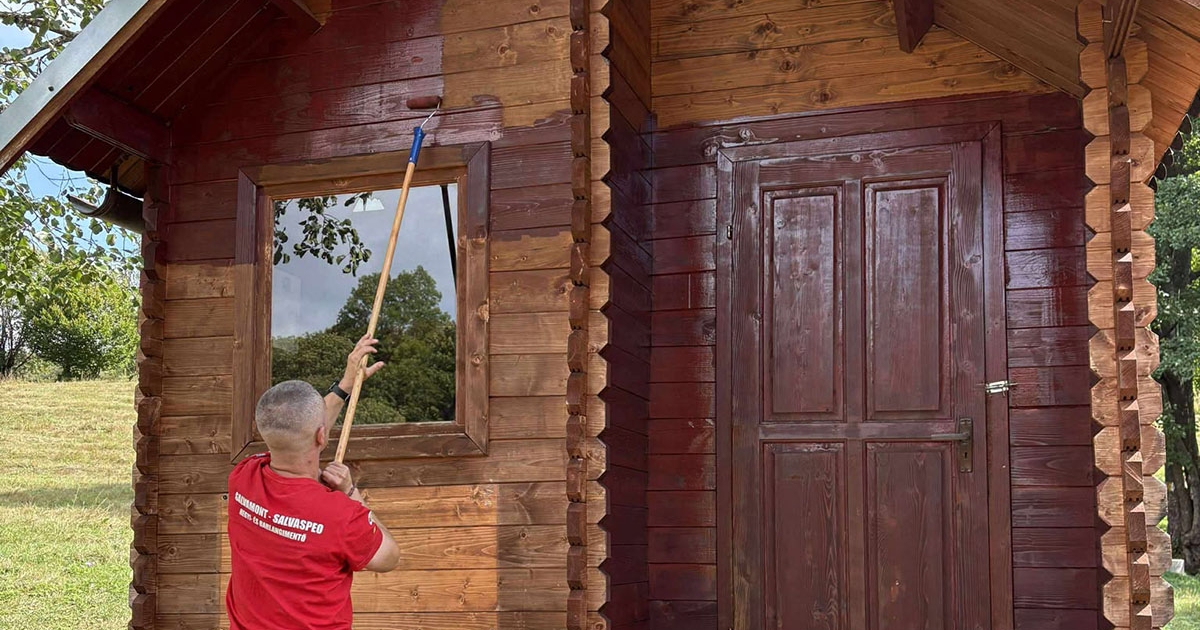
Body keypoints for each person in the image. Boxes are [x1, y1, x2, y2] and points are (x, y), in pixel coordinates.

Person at [225, 335, 400, 630]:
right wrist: (350, 491)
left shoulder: (242, 477)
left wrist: (346, 384)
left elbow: (297, 434)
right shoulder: (340, 515)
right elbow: (388, 557)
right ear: (322, 435)